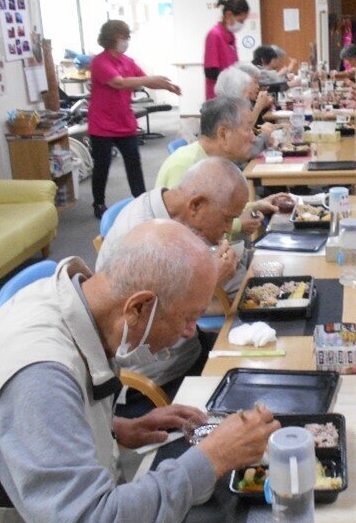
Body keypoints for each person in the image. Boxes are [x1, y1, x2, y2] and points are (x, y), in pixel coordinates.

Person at [0, 220, 281, 523]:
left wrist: (114, 427)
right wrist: (213, 458)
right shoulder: (39, 377)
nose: (189, 333)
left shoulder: (75, 302)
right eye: (188, 317)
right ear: (139, 307)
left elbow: (35, 433)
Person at [96, 159, 248, 405]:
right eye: (226, 219)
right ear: (196, 204)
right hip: (161, 375)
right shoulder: (142, 240)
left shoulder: (175, 214)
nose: (229, 229)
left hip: (191, 348)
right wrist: (211, 279)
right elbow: (134, 348)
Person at [87, 20, 180, 219]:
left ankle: (140, 200)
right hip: (101, 124)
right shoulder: (99, 62)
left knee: (133, 163)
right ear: (112, 38)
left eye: (127, 37)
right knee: (102, 166)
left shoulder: (127, 61)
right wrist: (150, 80)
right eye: (123, 37)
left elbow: (145, 79)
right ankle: (99, 202)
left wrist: (167, 86)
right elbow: (119, 83)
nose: (126, 40)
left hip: (123, 122)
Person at [155, 96, 283, 236]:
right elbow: (184, 227)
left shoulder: (216, 162)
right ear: (223, 134)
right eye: (247, 129)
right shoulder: (186, 165)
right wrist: (238, 224)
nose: (253, 138)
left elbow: (215, 207)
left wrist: (255, 206)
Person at [204, 0, 250, 99]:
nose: (242, 24)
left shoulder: (231, 36)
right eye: (241, 20)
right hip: (218, 96)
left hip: (232, 94)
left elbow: (234, 66)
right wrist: (234, 78)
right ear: (228, 15)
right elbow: (210, 72)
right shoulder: (214, 35)